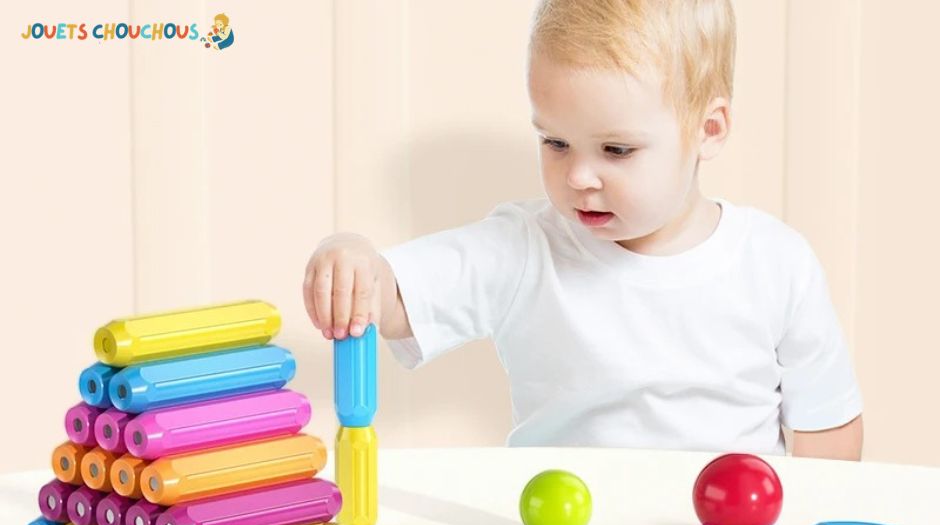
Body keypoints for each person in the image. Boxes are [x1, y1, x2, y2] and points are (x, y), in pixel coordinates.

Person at [302, 0, 863, 460]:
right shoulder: (525, 248)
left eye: (616, 150)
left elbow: (828, 431)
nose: (578, 176)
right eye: (554, 142)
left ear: (708, 130)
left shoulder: (776, 263)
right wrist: (353, 261)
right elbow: (399, 294)